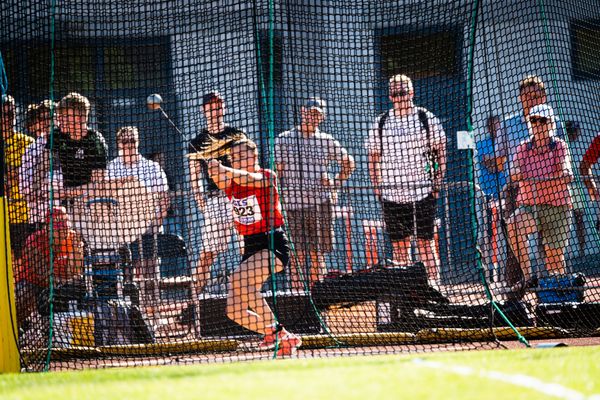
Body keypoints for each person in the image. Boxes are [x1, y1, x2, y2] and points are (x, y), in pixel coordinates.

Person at [207, 139, 302, 356]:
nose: (238, 160)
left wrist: (224, 168)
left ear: (254, 155)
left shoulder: (267, 176)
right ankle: (281, 335)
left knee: (238, 280)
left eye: (242, 156)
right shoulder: (232, 183)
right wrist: (213, 167)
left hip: (273, 243)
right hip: (251, 246)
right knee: (235, 311)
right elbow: (220, 180)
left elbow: (252, 179)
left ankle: (276, 333)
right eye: (235, 158)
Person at [366, 74, 446, 283]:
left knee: (425, 243)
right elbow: (373, 157)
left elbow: (441, 151)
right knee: (400, 247)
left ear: (411, 93)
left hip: (422, 191)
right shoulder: (381, 122)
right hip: (392, 194)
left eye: (403, 92)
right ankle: (408, 291)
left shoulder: (425, 118)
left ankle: (434, 286)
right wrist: (377, 187)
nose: (399, 97)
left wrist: (437, 183)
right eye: (395, 93)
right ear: (390, 96)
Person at [275, 97, 355, 288]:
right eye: (310, 112)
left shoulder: (327, 141)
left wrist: (336, 183)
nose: (312, 117)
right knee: (297, 254)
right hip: (293, 206)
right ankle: (297, 298)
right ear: (302, 112)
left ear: (322, 117)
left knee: (317, 253)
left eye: (317, 114)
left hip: (320, 204)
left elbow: (349, 162)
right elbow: (277, 172)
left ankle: (317, 297)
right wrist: (278, 201)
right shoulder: (284, 139)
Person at [498, 75, 565, 286]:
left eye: (536, 95)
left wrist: (539, 177)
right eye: (527, 96)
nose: (532, 99)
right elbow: (501, 162)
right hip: (517, 192)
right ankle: (517, 291)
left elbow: (561, 159)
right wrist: (520, 176)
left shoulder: (556, 126)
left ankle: (553, 291)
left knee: (550, 250)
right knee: (513, 236)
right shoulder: (509, 125)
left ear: (544, 97)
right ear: (520, 98)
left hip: (552, 198)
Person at [507, 104, 572, 289]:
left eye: (542, 120)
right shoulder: (523, 148)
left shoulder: (559, 145)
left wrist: (535, 178)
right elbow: (514, 173)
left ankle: (559, 293)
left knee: (554, 259)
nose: (537, 124)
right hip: (530, 205)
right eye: (533, 120)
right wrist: (544, 178)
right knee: (513, 224)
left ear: (550, 123)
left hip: (557, 206)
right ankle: (529, 277)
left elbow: (566, 173)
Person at [188, 91, 246, 293]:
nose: (216, 110)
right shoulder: (197, 142)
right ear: (204, 110)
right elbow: (194, 175)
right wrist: (199, 199)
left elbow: (247, 165)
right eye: (211, 106)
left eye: (219, 106)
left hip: (239, 196)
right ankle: (193, 301)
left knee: (247, 247)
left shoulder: (237, 135)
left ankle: (252, 294)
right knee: (208, 253)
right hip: (216, 199)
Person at [106, 126, 170, 304]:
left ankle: (153, 310)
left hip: (149, 227)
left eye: (132, 141)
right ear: (119, 144)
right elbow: (107, 199)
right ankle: (132, 309)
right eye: (125, 141)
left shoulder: (152, 167)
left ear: (138, 142)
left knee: (150, 271)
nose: (129, 145)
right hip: (123, 229)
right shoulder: (111, 168)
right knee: (127, 272)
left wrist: (157, 222)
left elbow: (164, 198)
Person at [15, 207, 84, 330]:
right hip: (33, 283)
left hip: (60, 283)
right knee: (24, 295)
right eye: (59, 229)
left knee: (78, 289)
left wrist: (77, 250)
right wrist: (59, 281)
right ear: (48, 228)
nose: (64, 232)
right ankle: (17, 326)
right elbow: (42, 275)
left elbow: (74, 272)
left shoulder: (72, 239)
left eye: (65, 229)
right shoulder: (35, 240)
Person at [52, 92, 108, 199]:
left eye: (64, 116)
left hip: (89, 202)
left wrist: (64, 193)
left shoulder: (95, 141)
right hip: (63, 201)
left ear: (78, 118)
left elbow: (98, 185)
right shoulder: (58, 135)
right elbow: (43, 166)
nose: (59, 119)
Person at [19, 100, 64, 228]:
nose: (46, 122)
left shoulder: (69, 144)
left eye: (50, 117)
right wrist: (36, 191)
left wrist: (47, 189)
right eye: (42, 118)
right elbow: (24, 185)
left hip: (65, 218)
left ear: (58, 119)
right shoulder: (31, 149)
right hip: (38, 217)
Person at [1, 94, 35, 259]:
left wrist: (12, 173)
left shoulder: (27, 142)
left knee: (23, 260)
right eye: (2, 114)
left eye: (10, 114)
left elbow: (31, 176)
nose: (6, 118)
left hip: (21, 214)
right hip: (2, 212)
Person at [475, 115, 506, 279]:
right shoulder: (482, 144)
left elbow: (499, 164)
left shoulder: (505, 143)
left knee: (505, 230)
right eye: (493, 126)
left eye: (498, 125)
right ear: (488, 128)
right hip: (487, 195)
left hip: (505, 192)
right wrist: (498, 161)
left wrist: (497, 162)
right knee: (487, 232)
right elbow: (492, 166)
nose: (496, 129)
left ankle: (504, 268)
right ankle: (490, 270)